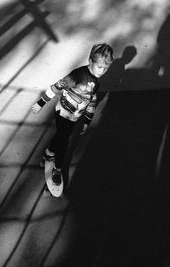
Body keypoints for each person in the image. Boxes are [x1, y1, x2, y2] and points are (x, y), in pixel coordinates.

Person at [31, 43, 114, 186]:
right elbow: (57, 86)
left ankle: (49, 153)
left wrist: (87, 121)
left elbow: (91, 101)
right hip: (62, 112)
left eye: (106, 68)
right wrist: (40, 103)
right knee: (64, 141)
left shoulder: (96, 81)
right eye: (99, 67)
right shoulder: (78, 75)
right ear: (90, 61)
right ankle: (57, 169)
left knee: (60, 136)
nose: (102, 71)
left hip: (74, 117)